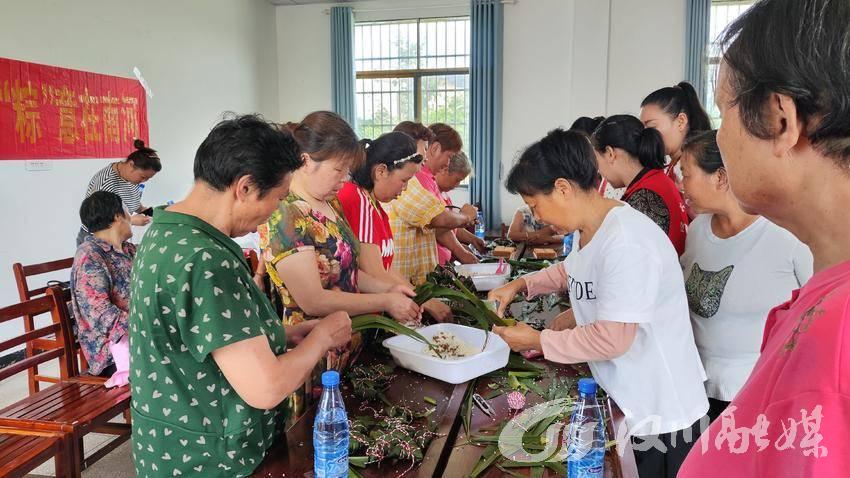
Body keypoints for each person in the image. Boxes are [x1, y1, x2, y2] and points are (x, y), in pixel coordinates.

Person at [679, 0, 850, 475]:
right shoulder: (826, 293)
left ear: (780, 119)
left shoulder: (840, 337)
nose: (721, 137)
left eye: (722, 111)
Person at [129, 114, 352, 478]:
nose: (270, 217)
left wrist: (287, 335)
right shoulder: (206, 259)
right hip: (211, 459)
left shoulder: (165, 231)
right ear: (245, 187)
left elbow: (199, 341)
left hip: (170, 448)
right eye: (277, 199)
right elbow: (266, 389)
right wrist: (323, 336)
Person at [488, 128, 708, 478]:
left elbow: (612, 339)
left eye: (535, 205)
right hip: (627, 397)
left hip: (660, 410)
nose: (537, 216)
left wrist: (536, 340)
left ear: (562, 188)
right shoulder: (591, 226)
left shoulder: (626, 241)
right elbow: (573, 269)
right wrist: (521, 284)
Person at [678, 130, 813, 423]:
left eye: (686, 174)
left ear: (720, 177)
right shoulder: (698, 230)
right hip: (696, 389)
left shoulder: (785, 234)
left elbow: (820, 307)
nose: (681, 184)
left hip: (760, 392)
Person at [263, 111, 419, 327]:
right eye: (338, 169)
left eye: (347, 170)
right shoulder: (286, 214)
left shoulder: (331, 202)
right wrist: (384, 300)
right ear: (306, 161)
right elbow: (313, 300)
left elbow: (345, 271)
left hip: (351, 337)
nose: (345, 178)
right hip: (315, 345)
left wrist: (388, 289)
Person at [337, 131, 451, 322]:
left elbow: (386, 266)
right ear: (381, 171)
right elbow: (374, 272)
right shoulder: (358, 199)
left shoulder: (375, 206)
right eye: (404, 180)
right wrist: (425, 302)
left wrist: (421, 298)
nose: (405, 189)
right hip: (360, 316)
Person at [385, 123, 478, 285]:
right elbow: (439, 220)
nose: (425, 158)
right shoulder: (412, 181)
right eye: (422, 153)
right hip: (407, 285)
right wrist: (466, 216)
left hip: (415, 282)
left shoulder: (417, 180)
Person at [591, 114, 689, 254]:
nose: (598, 170)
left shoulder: (644, 197)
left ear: (610, 153)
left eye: (597, 160)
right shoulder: (655, 181)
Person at [69, 191, 135, 377]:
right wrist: (145, 326)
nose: (130, 218)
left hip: (139, 338)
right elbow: (99, 311)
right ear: (117, 216)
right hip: (112, 352)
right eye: (127, 212)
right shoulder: (90, 255)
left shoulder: (129, 250)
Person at [77, 139, 161, 245]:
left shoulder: (130, 178)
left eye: (148, 178)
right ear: (131, 165)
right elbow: (100, 219)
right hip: (98, 238)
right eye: (143, 177)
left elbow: (130, 199)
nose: (144, 181)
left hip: (118, 234)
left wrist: (143, 209)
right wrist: (132, 220)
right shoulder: (106, 183)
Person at [639, 81, 712, 189]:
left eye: (651, 127)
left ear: (681, 122)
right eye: (643, 130)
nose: (646, 136)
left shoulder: (696, 166)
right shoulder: (673, 164)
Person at [434, 151, 484, 264]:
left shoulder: (445, 196)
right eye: (457, 179)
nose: (457, 185)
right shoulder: (430, 195)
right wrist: (460, 251)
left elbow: (452, 228)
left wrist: (472, 239)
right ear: (444, 169)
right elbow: (437, 230)